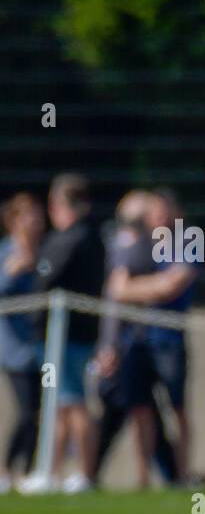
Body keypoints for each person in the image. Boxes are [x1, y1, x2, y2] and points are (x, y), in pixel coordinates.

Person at [105, 188, 199, 486]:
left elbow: (171, 286)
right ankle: (143, 478)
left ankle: (184, 474)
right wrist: (153, 286)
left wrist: (138, 288)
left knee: (177, 408)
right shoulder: (138, 245)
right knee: (141, 409)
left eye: (162, 211)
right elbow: (118, 289)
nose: (157, 217)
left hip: (170, 341)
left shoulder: (187, 241)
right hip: (138, 342)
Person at [25, 173, 104, 494]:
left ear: (58, 204)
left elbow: (44, 279)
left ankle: (83, 474)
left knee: (72, 403)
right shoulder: (93, 236)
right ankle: (52, 471)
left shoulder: (72, 239)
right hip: (72, 334)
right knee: (59, 404)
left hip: (67, 336)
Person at [0, 193, 45, 493]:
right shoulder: (6, 253)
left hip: (42, 349)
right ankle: (7, 469)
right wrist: (10, 273)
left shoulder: (44, 253)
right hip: (14, 350)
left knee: (40, 412)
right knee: (27, 410)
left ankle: (27, 472)